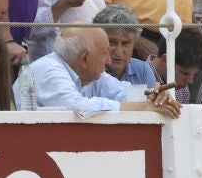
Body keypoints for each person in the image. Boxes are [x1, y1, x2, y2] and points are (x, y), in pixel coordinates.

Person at [23, 22, 179, 116]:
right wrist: (142, 107)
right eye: (105, 54)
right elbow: (77, 108)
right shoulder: (50, 70)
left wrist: (151, 95)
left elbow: (121, 91)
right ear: (85, 58)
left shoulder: (90, 73)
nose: (109, 61)